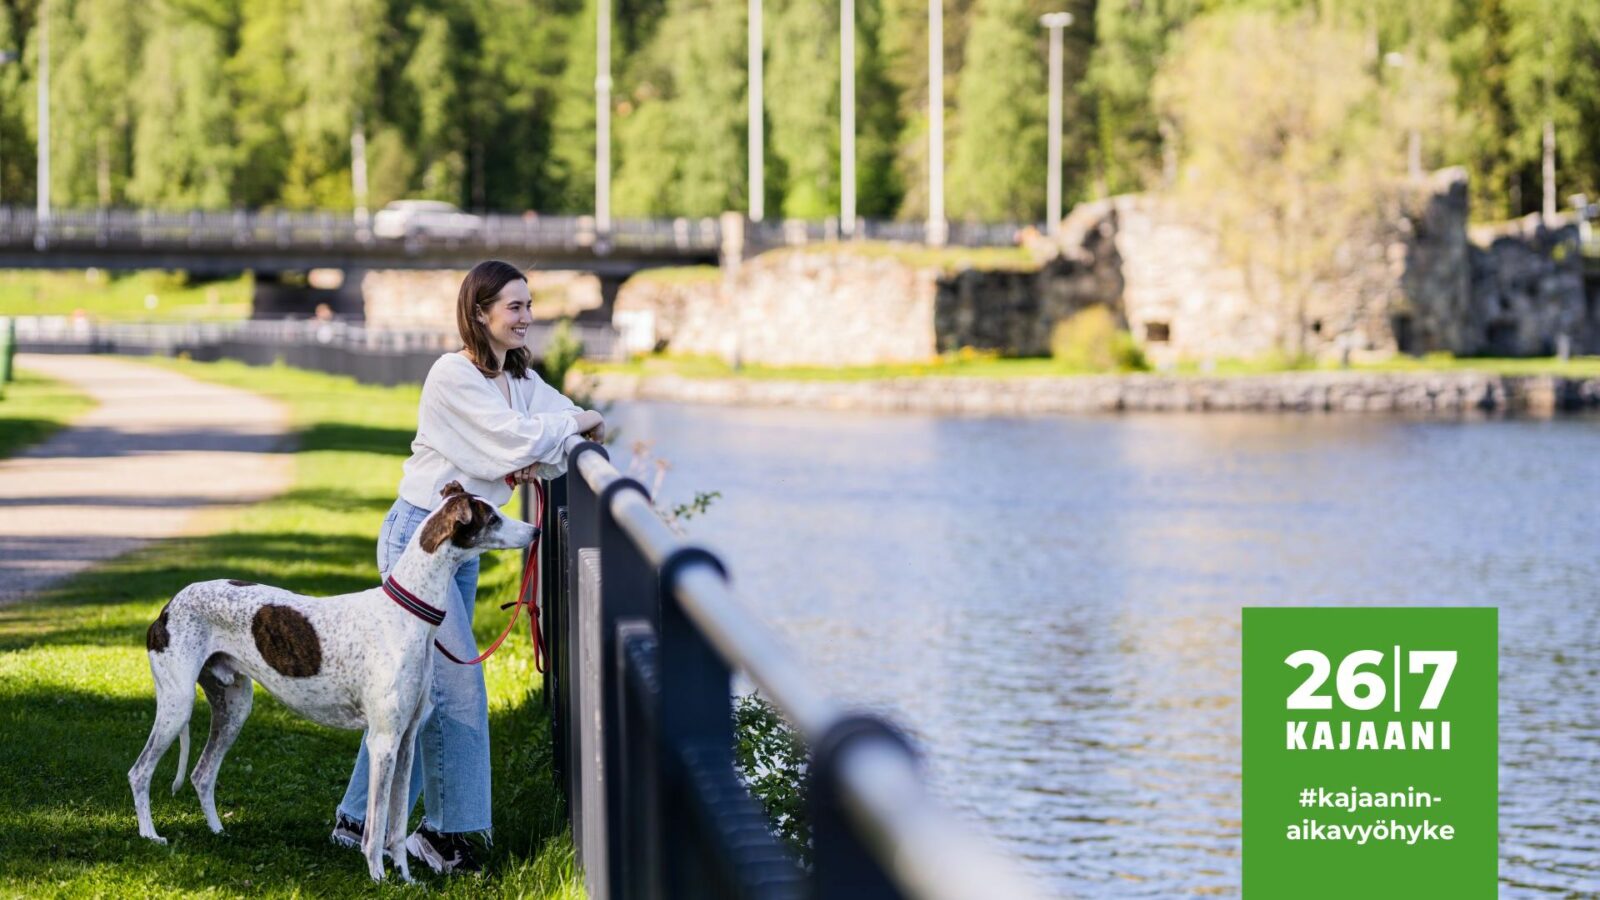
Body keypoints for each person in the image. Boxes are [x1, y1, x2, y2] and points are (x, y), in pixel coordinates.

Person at [329, 260, 604, 874]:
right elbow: (515, 442)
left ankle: (355, 820)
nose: (528, 317)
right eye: (515, 307)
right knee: (455, 690)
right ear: (480, 312)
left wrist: (568, 429)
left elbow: (552, 434)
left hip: (465, 546)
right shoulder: (451, 375)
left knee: (418, 688)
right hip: (422, 540)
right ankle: (442, 835)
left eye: (530, 305)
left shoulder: (518, 378)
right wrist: (566, 428)